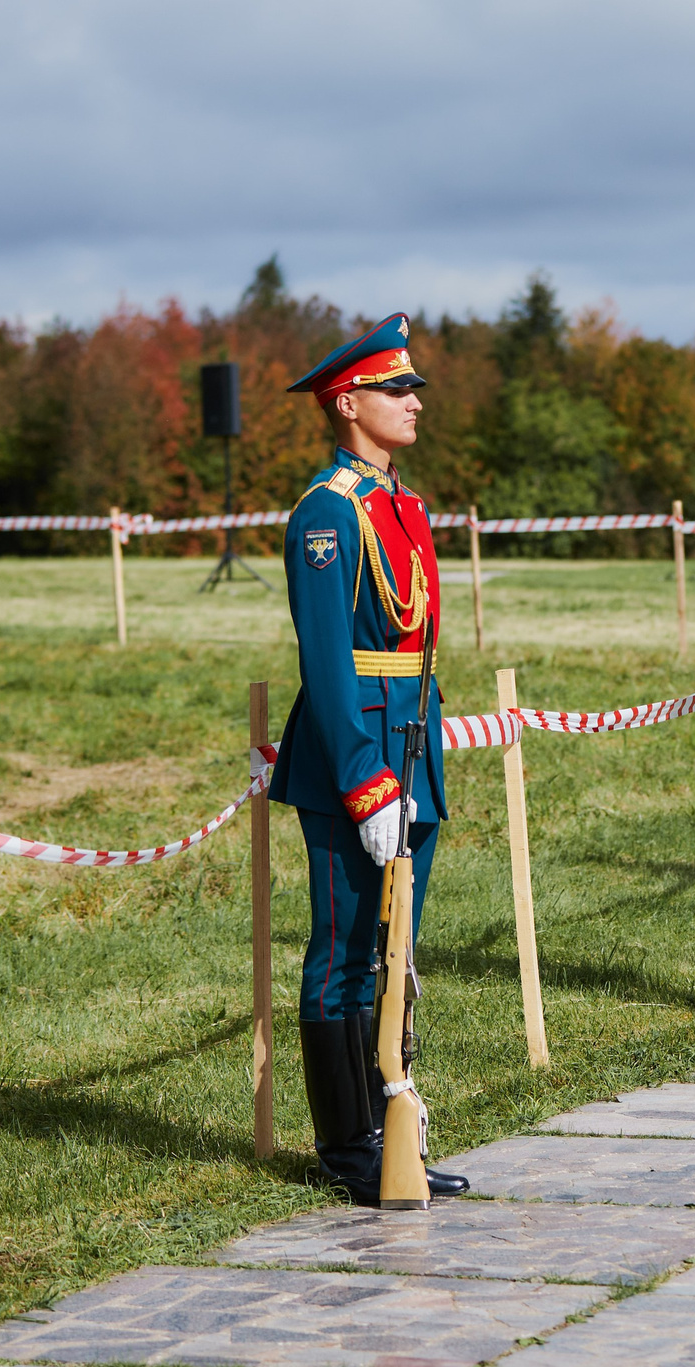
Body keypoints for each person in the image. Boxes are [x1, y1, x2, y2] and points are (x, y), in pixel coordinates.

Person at [274, 315, 469, 1204]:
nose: (414, 401)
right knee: (347, 946)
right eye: (397, 389)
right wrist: (365, 780)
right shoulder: (328, 513)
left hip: (410, 741)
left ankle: (395, 1129)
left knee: (398, 947)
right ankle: (348, 1145)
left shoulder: (403, 506)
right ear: (348, 404)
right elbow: (326, 653)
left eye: (414, 387)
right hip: (358, 753)